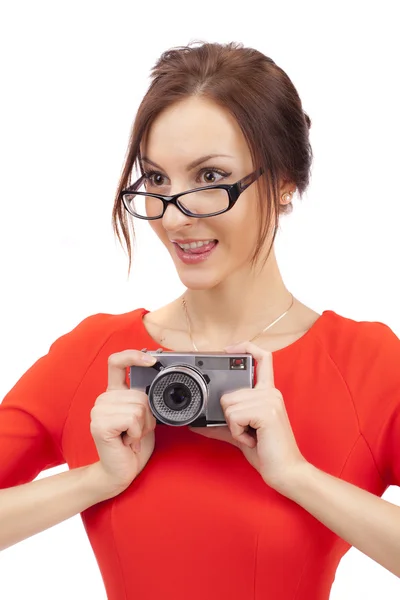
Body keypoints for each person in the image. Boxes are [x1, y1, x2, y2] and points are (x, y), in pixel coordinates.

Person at [0, 40, 399, 600]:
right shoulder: (100, 355)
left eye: (210, 178)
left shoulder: (365, 363)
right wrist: (96, 480)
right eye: (158, 180)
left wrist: (296, 476)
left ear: (284, 181)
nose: (175, 214)